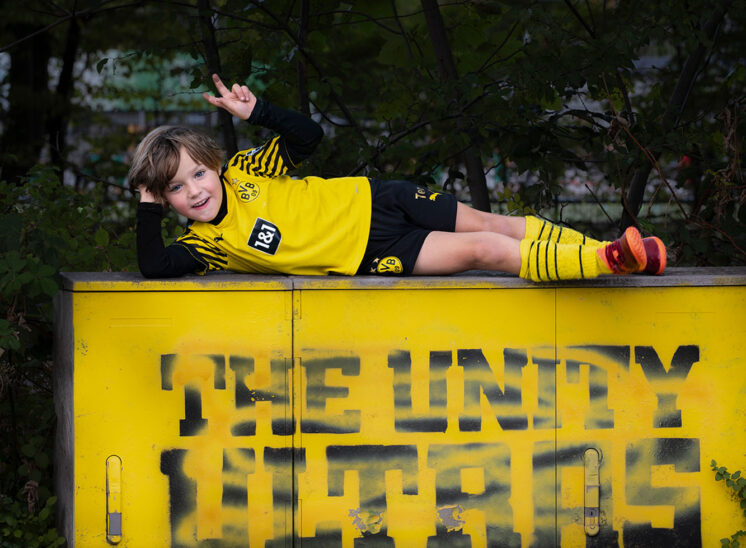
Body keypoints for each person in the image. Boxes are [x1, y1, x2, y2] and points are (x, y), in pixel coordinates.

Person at [130, 74, 666, 281]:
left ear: (215, 164)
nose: (194, 190)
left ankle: (621, 253)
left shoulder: (246, 171)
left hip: (381, 200)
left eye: (197, 173)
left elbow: (309, 138)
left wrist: (259, 112)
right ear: (163, 197)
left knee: (496, 224)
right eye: (175, 187)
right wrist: (146, 203)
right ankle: (607, 261)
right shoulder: (208, 246)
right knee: (484, 250)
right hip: (374, 253)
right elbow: (154, 266)